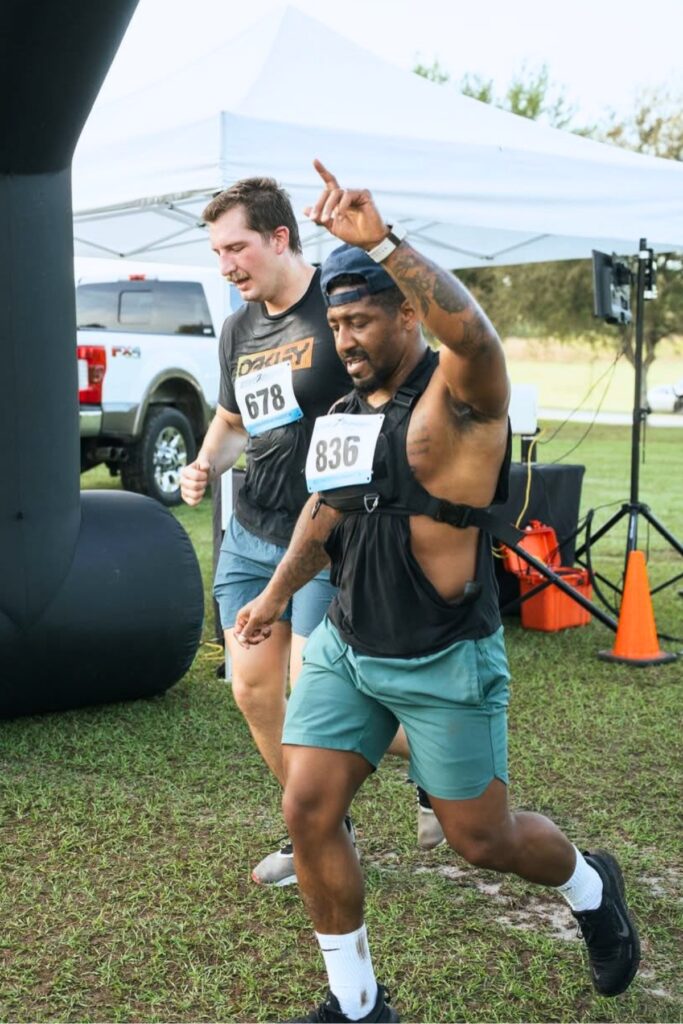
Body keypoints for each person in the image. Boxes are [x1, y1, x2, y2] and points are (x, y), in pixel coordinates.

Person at [234, 161, 641, 1022]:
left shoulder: (461, 398)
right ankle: (356, 1004)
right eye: (336, 323)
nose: (345, 339)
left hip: (441, 655)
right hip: (350, 645)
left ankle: (588, 885)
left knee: (479, 838)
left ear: (408, 315)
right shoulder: (345, 411)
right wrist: (272, 600)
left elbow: (479, 338)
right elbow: (324, 512)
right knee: (308, 811)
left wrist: (381, 241)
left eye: (361, 321)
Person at [180, 177, 441, 887]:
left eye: (236, 247)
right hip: (251, 529)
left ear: (279, 238)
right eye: (216, 252)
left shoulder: (340, 302)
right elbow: (236, 420)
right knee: (255, 689)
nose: (226, 265)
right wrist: (204, 463)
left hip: (330, 535)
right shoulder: (238, 327)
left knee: (319, 695)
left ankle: (435, 758)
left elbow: (412, 365)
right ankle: (320, 830)